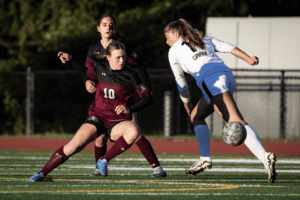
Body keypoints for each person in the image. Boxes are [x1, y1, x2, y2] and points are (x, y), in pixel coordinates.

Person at [29, 40, 166, 182]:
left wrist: (129, 108)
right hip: (97, 118)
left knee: (134, 130)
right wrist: (71, 60)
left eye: (124, 57)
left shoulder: (131, 75)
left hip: (117, 123)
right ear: (108, 57)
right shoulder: (100, 68)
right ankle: (41, 174)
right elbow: (84, 72)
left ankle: (103, 160)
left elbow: (149, 98)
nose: (122, 60)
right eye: (118, 57)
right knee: (73, 146)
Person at [164, 19, 277, 183]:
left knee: (235, 120)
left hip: (212, 81)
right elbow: (228, 47)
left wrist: (185, 103)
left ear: (176, 34)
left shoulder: (174, 51)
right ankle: (204, 159)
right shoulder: (204, 39)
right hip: (226, 76)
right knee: (196, 115)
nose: (166, 41)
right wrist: (248, 59)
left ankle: (265, 156)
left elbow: (181, 83)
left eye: (167, 37)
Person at [58, 14, 153, 176]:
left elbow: (139, 65)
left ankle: (155, 166)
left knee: (134, 132)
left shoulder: (123, 47)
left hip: (125, 96)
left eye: (110, 24)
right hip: (105, 97)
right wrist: (86, 80)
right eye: (104, 24)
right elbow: (89, 72)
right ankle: (100, 167)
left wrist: (146, 89)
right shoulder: (94, 49)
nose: (107, 27)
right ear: (98, 28)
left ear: (114, 28)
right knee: (100, 137)